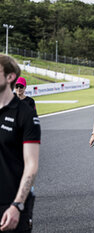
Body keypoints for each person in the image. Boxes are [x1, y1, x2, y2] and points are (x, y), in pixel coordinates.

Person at [0, 54, 41, 232]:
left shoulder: (26, 114)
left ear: (10, 77)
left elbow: (31, 165)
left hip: (11, 202)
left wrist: (17, 205)